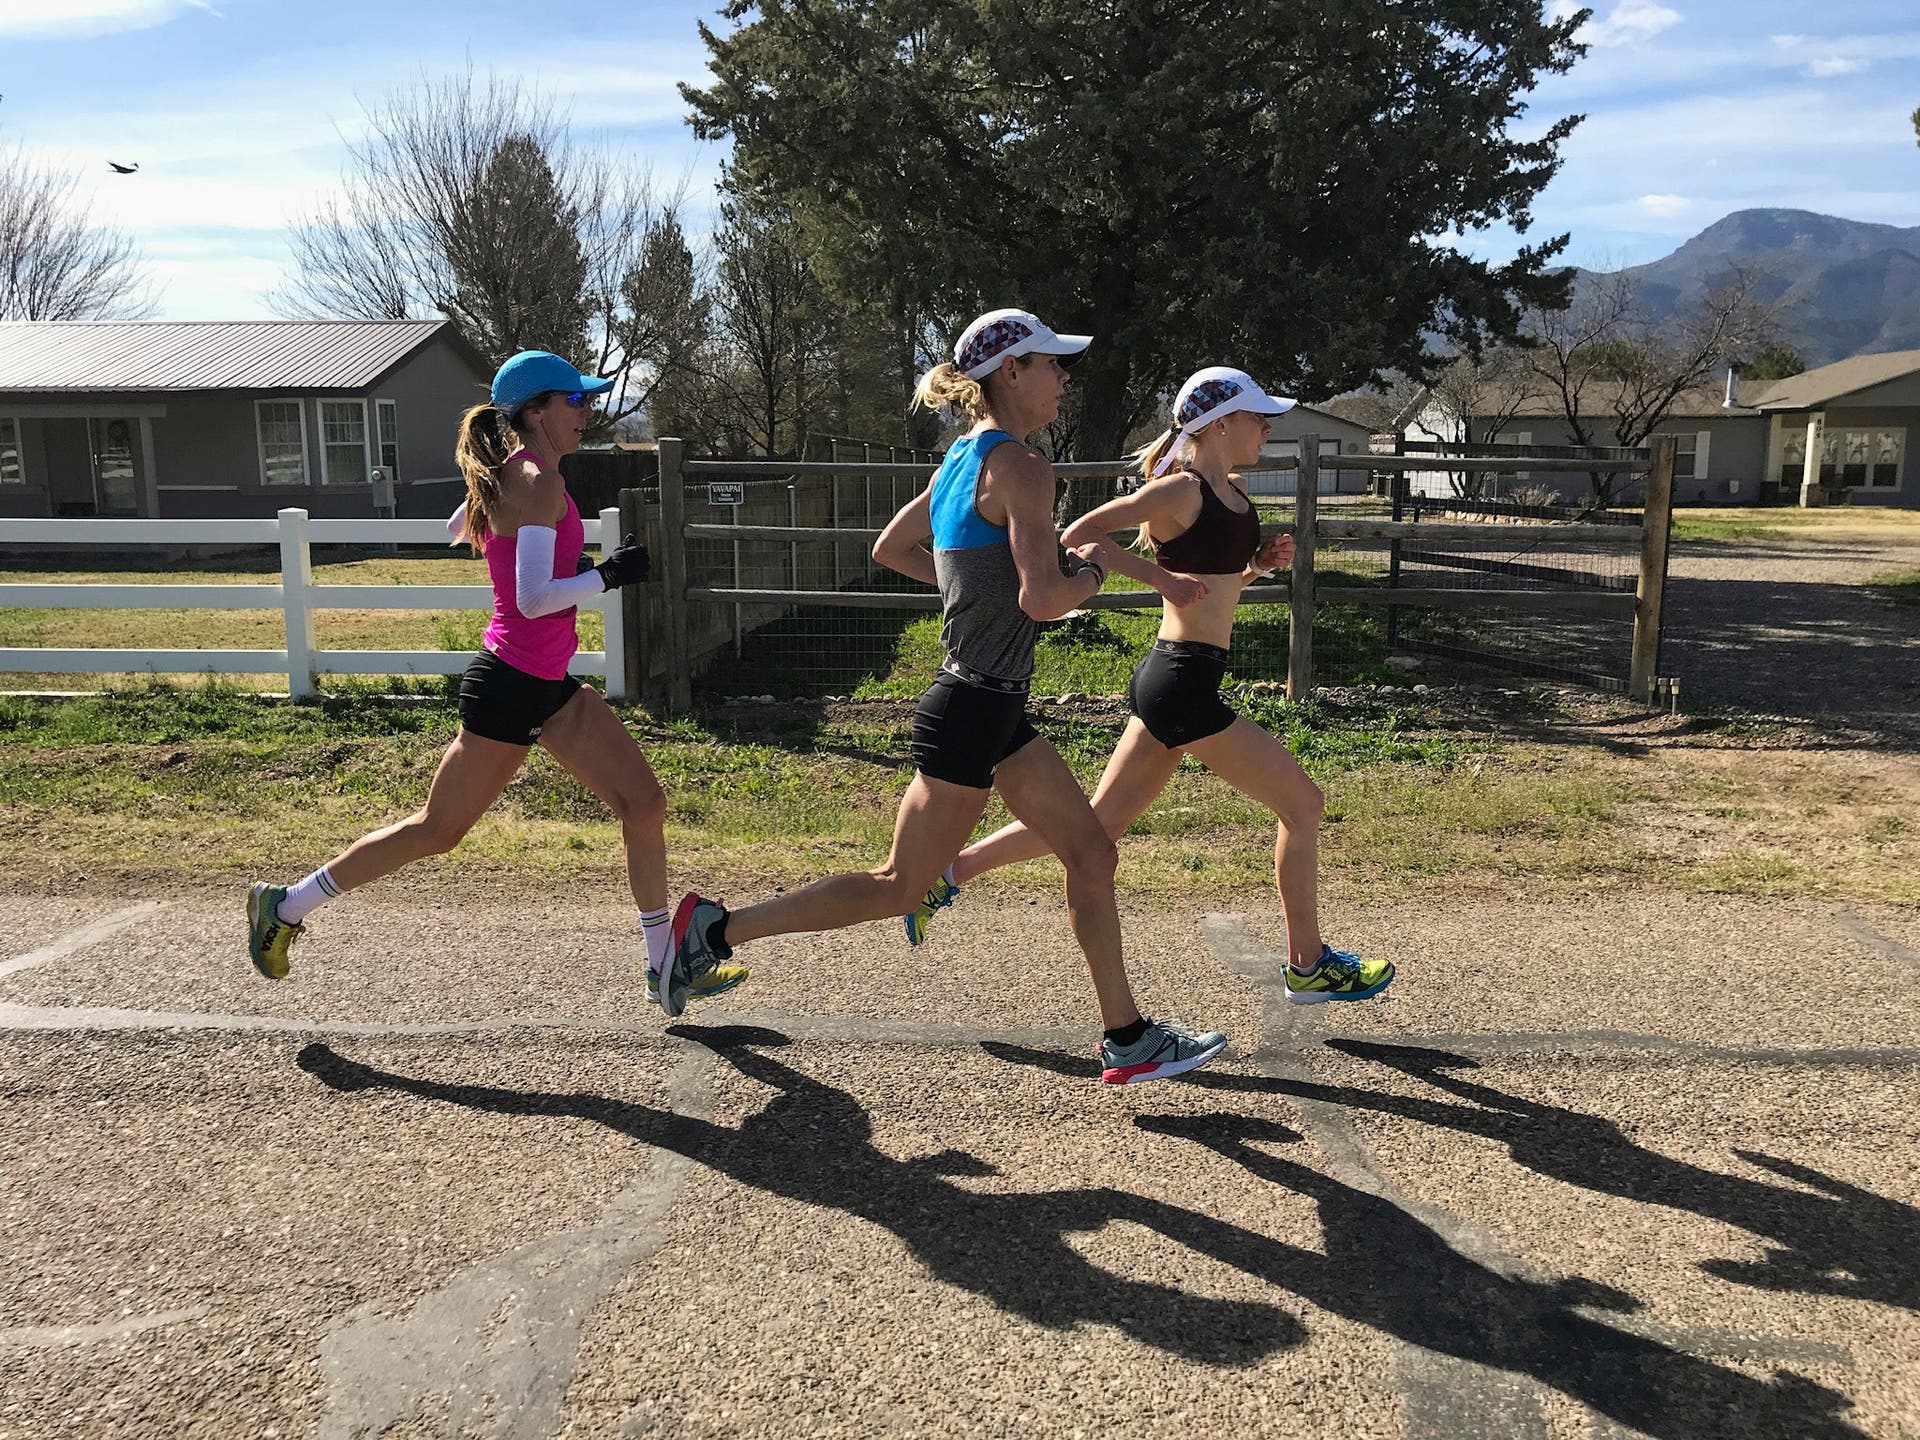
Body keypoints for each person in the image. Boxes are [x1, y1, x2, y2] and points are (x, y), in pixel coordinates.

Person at [663, 309, 1229, 1084]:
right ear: (1010, 372)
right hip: (970, 711)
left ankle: (1127, 1038)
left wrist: (973, 594)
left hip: (992, 709)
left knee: (1092, 851)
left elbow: (892, 548)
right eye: (1051, 362)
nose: (1063, 376)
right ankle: (714, 932)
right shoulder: (1023, 468)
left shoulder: (962, 458)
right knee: (901, 886)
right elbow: (1042, 600)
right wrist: (1093, 573)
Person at [246, 350, 746, 1010]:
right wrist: (608, 575)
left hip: (548, 684)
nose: (587, 412)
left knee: (644, 804)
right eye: (576, 401)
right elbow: (533, 599)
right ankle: (285, 906)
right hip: (510, 685)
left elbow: (459, 526)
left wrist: (500, 499)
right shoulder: (537, 480)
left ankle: (664, 965)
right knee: (436, 831)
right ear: (536, 411)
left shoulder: (518, 472)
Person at [908, 366, 1394, 1005]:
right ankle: (1308, 965)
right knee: (1303, 806)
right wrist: (1158, 580)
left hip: (1176, 679)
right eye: (1257, 416)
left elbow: (1212, 583)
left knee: (1099, 825)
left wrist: (1255, 565)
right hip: (1181, 684)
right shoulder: (1176, 491)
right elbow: (1080, 536)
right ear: (1220, 423)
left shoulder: (1234, 492)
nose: (1267, 427)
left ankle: (949, 871)